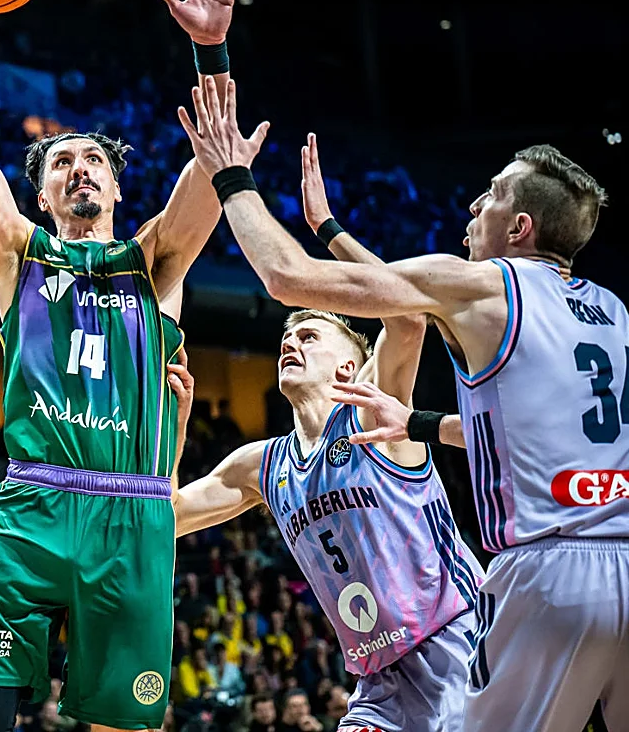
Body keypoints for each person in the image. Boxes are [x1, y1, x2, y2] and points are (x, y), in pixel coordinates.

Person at [180, 74, 629, 730]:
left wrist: (231, 177)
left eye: (494, 196)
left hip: (524, 583)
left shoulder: (482, 285)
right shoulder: (610, 312)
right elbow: (522, 433)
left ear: (521, 226)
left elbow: (302, 281)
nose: (475, 204)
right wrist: (421, 421)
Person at [0, 0, 252, 732]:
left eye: (93, 161)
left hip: (133, 513)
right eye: (62, 163)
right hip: (34, 502)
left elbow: (212, 172)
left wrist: (210, 52)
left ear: (115, 183)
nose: (80, 169)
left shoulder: (154, 263)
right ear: (40, 195)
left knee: (121, 725)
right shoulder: (19, 255)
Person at [173, 138, 482, 731]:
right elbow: (164, 516)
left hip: (461, 645)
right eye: (288, 338)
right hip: (378, 682)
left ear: (349, 367)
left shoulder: (372, 412)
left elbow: (407, 315)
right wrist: (175, 433)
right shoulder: (259, 465)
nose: (290, 342)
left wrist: (328, 228)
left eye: (310, 336)